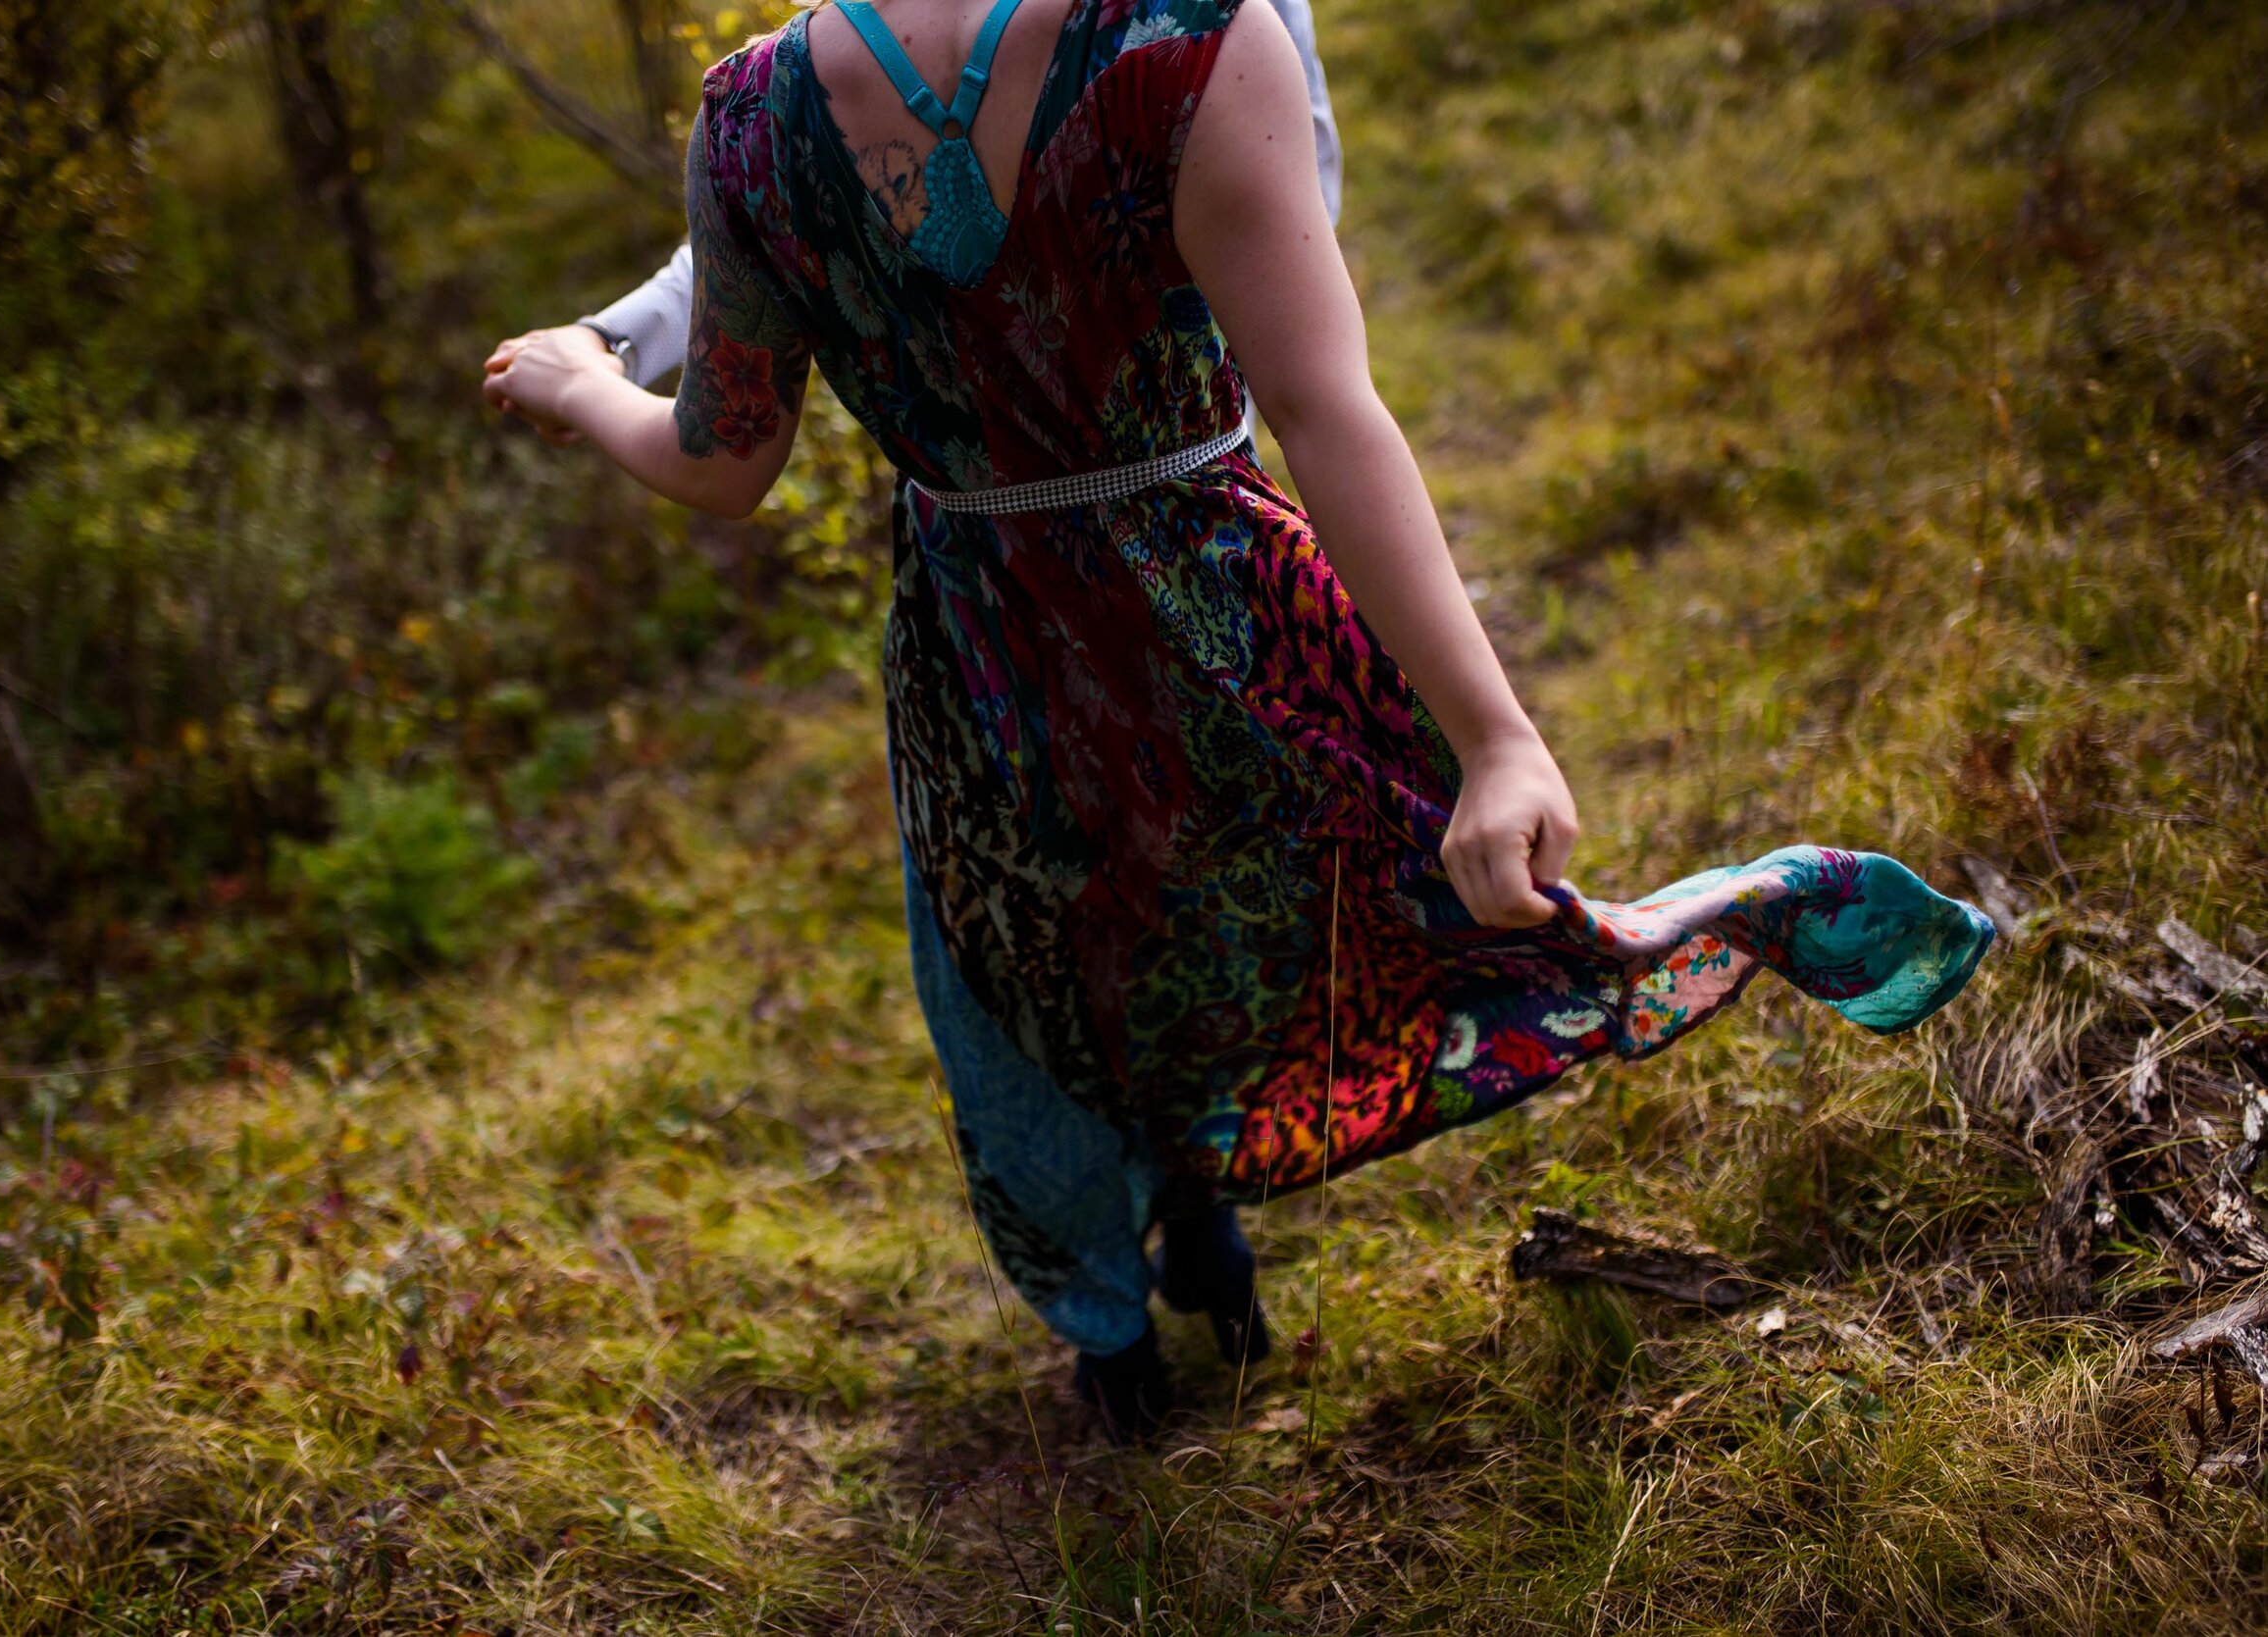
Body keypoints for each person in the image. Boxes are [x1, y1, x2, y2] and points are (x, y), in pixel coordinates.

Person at [482, 0, 1993, 1440]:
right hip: (1217, 596)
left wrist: (575, 387)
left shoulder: (753, 119)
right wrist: (1491, 736)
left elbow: (720, 461)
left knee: (1021, 963)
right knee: (1246, 896)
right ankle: (1199, 1216)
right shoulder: (1192, 40)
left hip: (979, 641)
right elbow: (1327, 410)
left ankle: (1113, 1337)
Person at [568, 0, 1342, 393]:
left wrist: (1254, 352)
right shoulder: (802, 71)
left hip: (1197, 411)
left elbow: (1302, 154)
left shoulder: (1208, 21)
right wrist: (615, 340)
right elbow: (771, 202)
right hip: (970, 596)